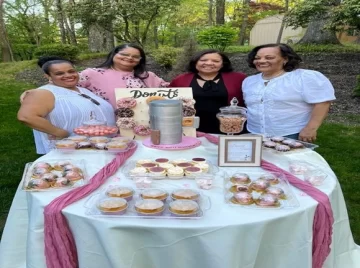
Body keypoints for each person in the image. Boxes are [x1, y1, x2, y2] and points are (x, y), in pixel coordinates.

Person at [17, 56, 115, 154]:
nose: (68, 75)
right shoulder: (44, 92)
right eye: (59, 73)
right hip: (70, 149)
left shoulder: (83, 90)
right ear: (48, 76)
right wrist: (60, 133)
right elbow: (26, 117)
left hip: (102, 145)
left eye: (71, 71)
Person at [243, 43, 336, 142]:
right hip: (254, 133)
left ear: (285, 59)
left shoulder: (303, 77)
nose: (261, 61)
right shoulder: (249, 81)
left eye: (269, 57)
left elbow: (323, 103)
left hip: (291, 134)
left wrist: (310, 128)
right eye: (257, 58)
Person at [169, 49, 247, 134]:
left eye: (215, 61)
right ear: (195, 62)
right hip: (191, 129)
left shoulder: (239, 79)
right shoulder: (181, 80)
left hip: (230, 128)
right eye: (203, 60)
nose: (209, 63)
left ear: (222, 64)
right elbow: (169, 101)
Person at [77, 43, 169, 109]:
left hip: (144, 125)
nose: (129, 58)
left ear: (140, 60)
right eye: (124, 54)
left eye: (135, 56)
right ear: (113, 54)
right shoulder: (92, 74)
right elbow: (68, 89)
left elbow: (173, 92)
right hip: (104, 127)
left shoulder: (148, 76)